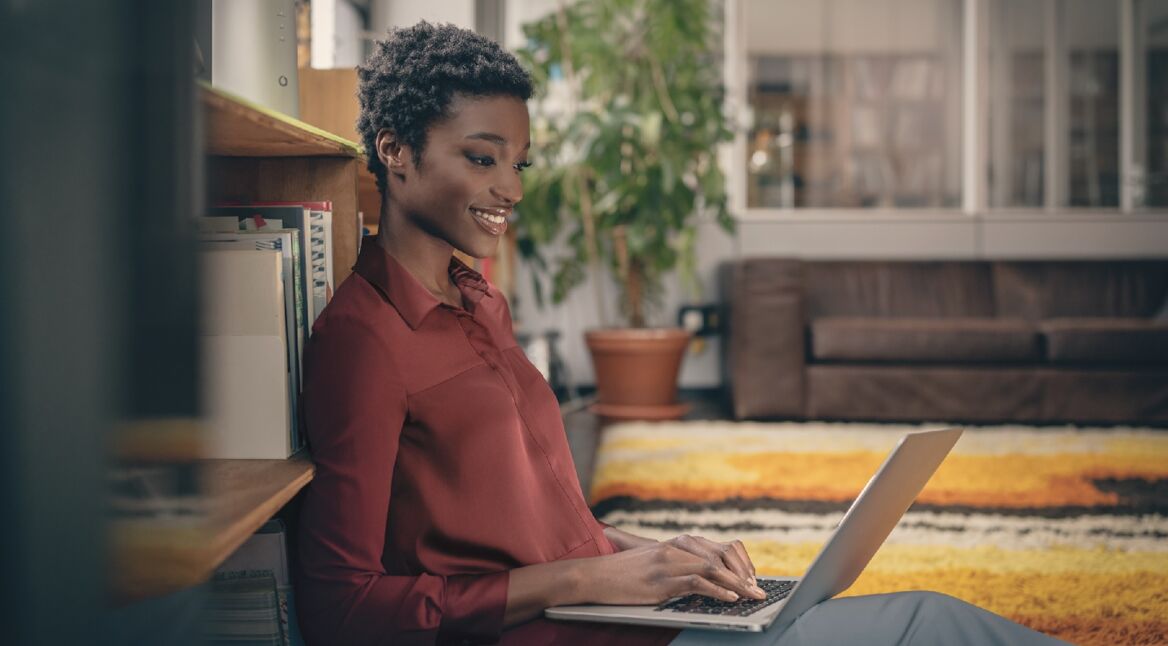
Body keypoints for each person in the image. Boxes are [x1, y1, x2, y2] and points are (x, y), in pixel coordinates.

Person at [295, 21, 1065, 646]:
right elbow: (341, 609)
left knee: (917, 621)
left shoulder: (478, 301)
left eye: (519, 163)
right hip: (572, 635)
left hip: (627, 619)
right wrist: (586, 581)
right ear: (394, 151)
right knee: (925, 625)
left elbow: (542, 529)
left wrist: (661, 556)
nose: (512, 189)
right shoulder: (362, 342)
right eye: (482, 158)